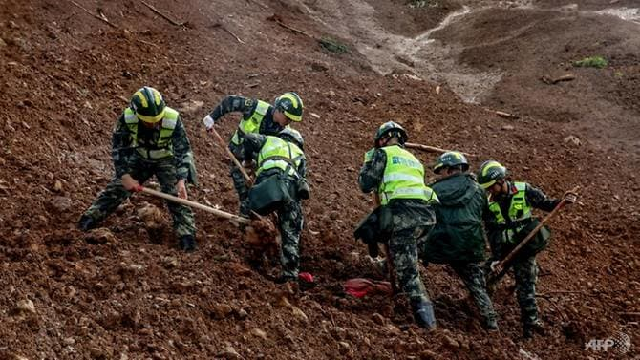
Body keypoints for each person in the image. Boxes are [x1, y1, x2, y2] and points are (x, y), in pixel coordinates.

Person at [77, 86, 198, 252]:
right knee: (117, 189)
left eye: (157, 119)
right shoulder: (127, 118)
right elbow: (119, 148)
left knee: (176, 197)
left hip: (166, 158)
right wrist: (124, 175)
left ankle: (187, 237)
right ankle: (89, 219)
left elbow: (183, 150)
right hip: (140, 157)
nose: (154, 123)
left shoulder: (172, 118)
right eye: (149, 121)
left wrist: (181, 179)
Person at [477, 160, 577, 338]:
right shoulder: (489, 203)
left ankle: (530, 326)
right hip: (504, 249)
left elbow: (546, 204)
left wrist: (563, 201)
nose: (489, 191)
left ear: (501, 181)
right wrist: (498, 258)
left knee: (526, 287)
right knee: (483, 278)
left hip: (524, 249)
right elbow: (491, 231)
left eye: (491, 187)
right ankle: (481, 313)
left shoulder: (524, 190)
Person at [358, 121, 438, 329]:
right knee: (403, 257)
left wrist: (369, 163)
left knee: (408, 273)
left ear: (383, 139)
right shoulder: (414, 159)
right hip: (427, 217)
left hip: (405, 218)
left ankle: (429, 326)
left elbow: (365, 184)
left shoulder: (382, 154)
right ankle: (395, 280)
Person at [420, 152, 498, 330]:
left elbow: (422, 217)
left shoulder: (433, 190)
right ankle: (491, 324)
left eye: (441, 170)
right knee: (477, 286)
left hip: (438, 245)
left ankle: (394, 279)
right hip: (469, 248)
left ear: (447, 170)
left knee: (407, 253)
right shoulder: (479, 190)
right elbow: (489, 219)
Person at [202, 93, 303, 213]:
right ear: (280, 110)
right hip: (238, 153)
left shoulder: (285, 132)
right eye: (288, 118)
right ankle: (247, 212)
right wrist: (212, 117)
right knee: (241, 184)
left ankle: (258, 210)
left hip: (260, 162)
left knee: (262, 189)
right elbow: (230, 101)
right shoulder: (256, 107)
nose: (289, 122)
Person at [242, 128, 309, 284]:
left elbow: (249, 139)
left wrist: (248, 161)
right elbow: (302, 185)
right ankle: (290, 276)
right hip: (290, 187)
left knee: (248, 211)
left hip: (267, 181)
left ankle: (245, 251)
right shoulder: (300, 154)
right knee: (291, 234)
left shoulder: (269, 140)